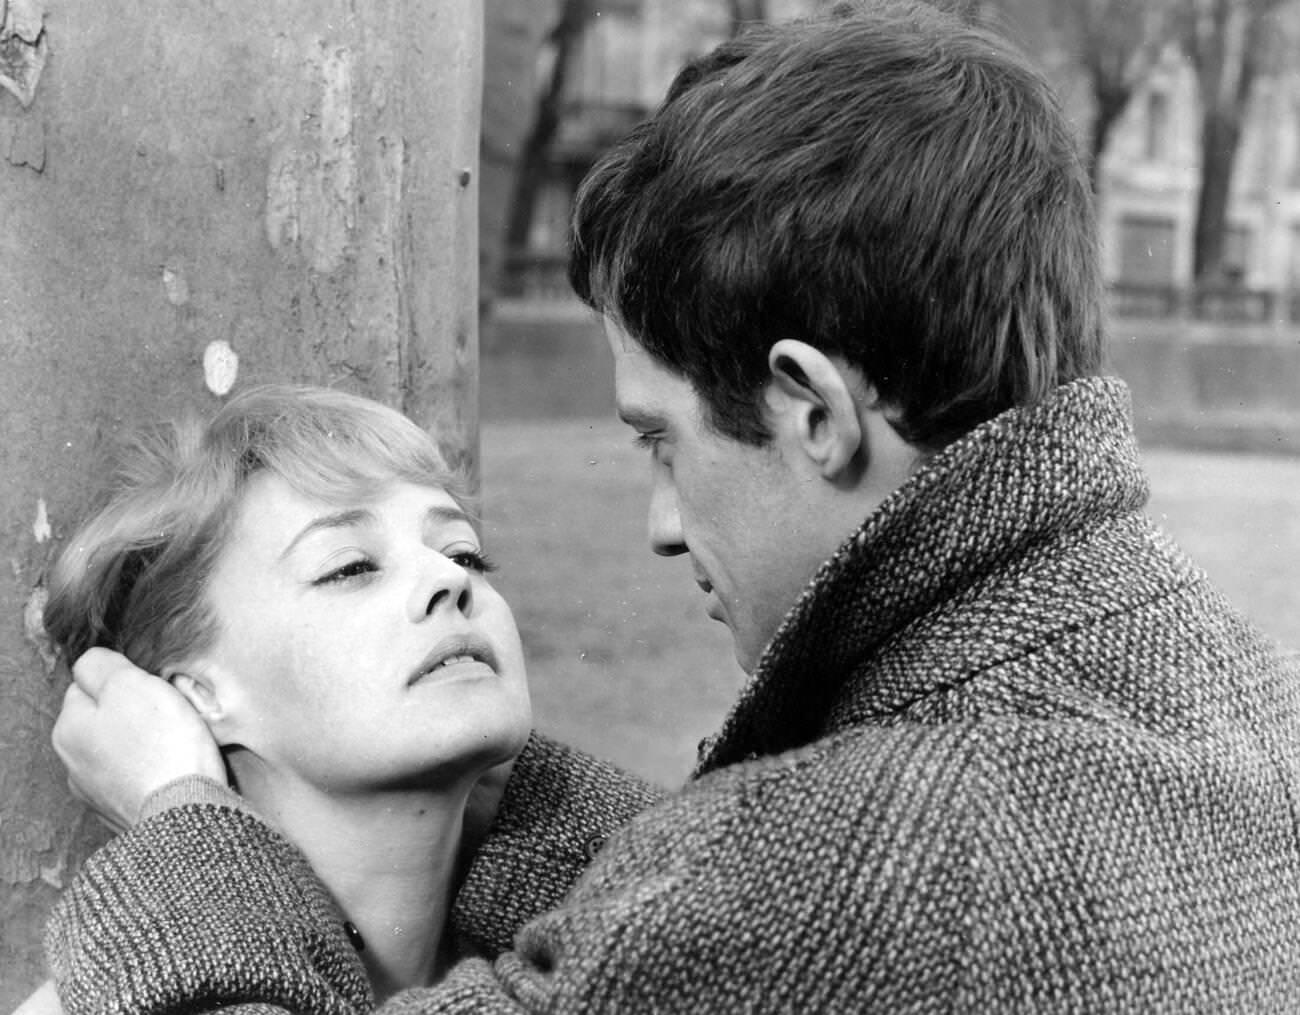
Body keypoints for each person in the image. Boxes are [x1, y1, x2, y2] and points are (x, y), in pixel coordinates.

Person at [41, 0, 1300, 1010]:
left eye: (659, 440)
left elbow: (750, 903)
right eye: (346, 565)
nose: (657, 520)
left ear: (813, 411)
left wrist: (186, 823)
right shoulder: (1238, 694)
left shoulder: (844, 863)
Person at [27, 385, 534, 1009]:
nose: (450, 578)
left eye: (465, 553)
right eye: (350, 567)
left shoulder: (570, 963)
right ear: (195, 696)